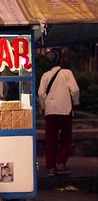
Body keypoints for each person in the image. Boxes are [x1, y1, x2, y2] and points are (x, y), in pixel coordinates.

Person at [37, 49, 80, 177]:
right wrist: (76, 102)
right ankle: (61, 163)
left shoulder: (45, 76)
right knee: (66, 138)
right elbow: (75, 90)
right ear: (60, 60)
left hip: (50, 111)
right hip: (65, 110)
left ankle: (51, 167)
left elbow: (40, 93)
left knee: (51, 139)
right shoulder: (67, 73)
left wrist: (44, 106)